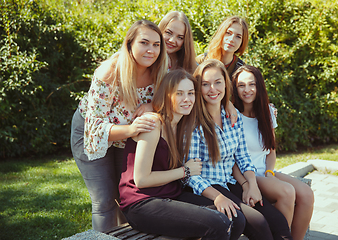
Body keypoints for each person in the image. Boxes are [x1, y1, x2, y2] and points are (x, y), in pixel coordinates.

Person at [118, 69, 245, 240]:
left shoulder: (182, 126)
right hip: (142, 202)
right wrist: (185, 171)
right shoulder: (154, 124)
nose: (187, 99)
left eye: (191, 93)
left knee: (235, 218)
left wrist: (228, 103)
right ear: (167, 95)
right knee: (218, 223)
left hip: (171, 195)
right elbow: (141, 180)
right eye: (179, 93)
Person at [70, 20, 168, 232]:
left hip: (126, 138)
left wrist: (152, 103)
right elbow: (95, 129)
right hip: (92, 134)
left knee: (126, 197)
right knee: (104, 200)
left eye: (156, 44)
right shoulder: (109, 73)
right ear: (129, 43)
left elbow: (172, 99)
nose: (151, 50)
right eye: (144, 43)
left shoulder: (161, 70)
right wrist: (132, 130)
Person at [187, 59, 293, 240]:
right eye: (205, 84)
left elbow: (243, 156)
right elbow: (191, 175)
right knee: (259, 225)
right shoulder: (193, 122)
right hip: (207, 187)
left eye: (218, 82)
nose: (212, 89)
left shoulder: (231, 117)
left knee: (278, 221)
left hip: (230, 182)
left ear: (226, 85)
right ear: (198, 87)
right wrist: (217, 197)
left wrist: (251, 185)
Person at [232, 65, 314, 240]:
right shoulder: (232, 116)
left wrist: (270, 173)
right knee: (286, 192)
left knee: (307, 194)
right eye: (241, 85)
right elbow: (230, 159)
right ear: (234, 88)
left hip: (265, 171)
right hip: (245, 176)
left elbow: (271, 151)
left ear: (259, 86)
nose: (247, 90)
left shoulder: (267, 112)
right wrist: (249, 183)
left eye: (251, 84)